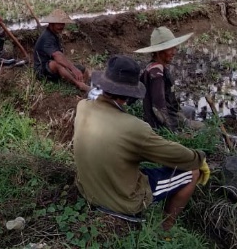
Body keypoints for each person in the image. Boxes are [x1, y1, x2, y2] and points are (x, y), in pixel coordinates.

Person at [73, 55, 210, 231]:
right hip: (122, 202)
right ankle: (165, 229)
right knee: (192, 172)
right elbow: (173, 154)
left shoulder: (83, 106)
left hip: (87, 189)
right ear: (129, 95)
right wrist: (199, 158)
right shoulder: (134, 127)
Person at [136, 26, 204, 132]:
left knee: (190, 110)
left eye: (174, 48)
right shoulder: (157, 74)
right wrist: (173, 132)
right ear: (159, 51)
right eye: (170, 49)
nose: (174, 52)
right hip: (162, 123)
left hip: (170, 112)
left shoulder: (151, 67)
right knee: (205, 129)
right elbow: (159, 109)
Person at [33, 9, 89, 92]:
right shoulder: (47, 38)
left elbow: (60, 56)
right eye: (58, 24)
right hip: (41, 70)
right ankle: (78, 84)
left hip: (51, 66)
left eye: (63, 24)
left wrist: (72, 68)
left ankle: (84, 84)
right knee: (57, 64)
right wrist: (73, 68)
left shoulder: (54, 35)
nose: (61, 26)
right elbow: (57, 55)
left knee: (82, 69)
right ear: (51, 24)